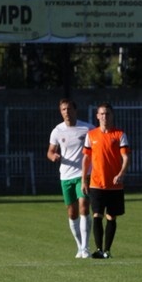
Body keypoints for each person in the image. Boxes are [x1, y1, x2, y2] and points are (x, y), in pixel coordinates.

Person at [81, 103, 130, 259]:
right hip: (96, 183)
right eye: (102, 114)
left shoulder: (119, 135)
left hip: (114, 186)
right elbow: (86, 159)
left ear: (112, 115)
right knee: (96, 215)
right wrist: (84, 180)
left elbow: (126, 157)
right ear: (97, 116)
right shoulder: (91, 135)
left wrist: (121, 173)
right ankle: (98, 249)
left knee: (111, 216)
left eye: (107, 113)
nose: (104, 117)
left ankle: (107, 250)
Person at [47, 99, 92, 258]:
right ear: (61, 112)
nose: (66, 112)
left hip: (84, 175)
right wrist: (54, 156)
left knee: (84, 207)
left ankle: (86, 248)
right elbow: (50, 151)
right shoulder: (57, 131)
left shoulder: (87, 128)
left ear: (75, 110)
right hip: (65, 176)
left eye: (69, 109)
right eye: (63, 109)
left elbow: (96, 146)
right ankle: (79, 247)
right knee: (72, 213)